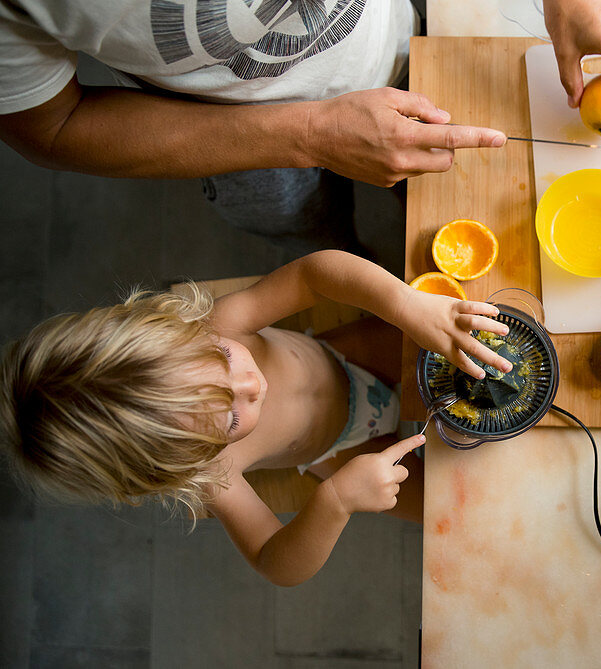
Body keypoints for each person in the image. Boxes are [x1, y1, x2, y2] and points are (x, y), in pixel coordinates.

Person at [0, 0, 601, 253]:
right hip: (237, 146)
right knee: (318, 242)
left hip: (406, 45)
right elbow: (52, 128)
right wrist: (308, 134)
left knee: (448, 193)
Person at [0, 250, 514, 586]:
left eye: (224, 361)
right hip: (338, 450)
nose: (253, 387)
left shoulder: (217, 323)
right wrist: (335, 502)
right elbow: (276, 561)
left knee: (481, 335)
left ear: (178, 332)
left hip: (346, 359)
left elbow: (314, 276)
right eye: (229, 419)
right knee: (465, 508)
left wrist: (405, 305)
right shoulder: (209, 473)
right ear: (179, 464)